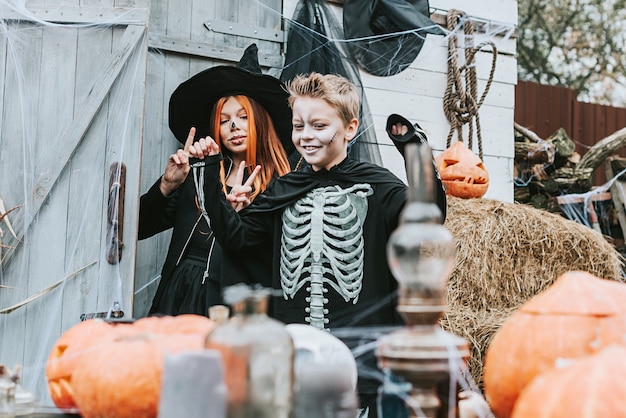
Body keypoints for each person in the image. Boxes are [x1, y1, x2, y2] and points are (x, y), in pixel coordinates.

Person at [187, 72, 446, 416]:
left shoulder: (377, 186)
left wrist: (414, 150)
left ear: (350, 128)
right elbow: (237, 238)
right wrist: (208, 171)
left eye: (319, 126)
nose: (306, 137)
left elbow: (426, 217)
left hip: (364, 352)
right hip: (299, 349)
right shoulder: (285, 188)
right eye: (299, 126)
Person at [137, 44, 295, 317]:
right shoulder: (196, 175)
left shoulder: (278, 184)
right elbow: (137, 227)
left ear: (261, 121)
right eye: (224, 120)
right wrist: (167, 185)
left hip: (230, 305)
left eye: (243, 117)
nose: (234, 126)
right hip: (177, 294)